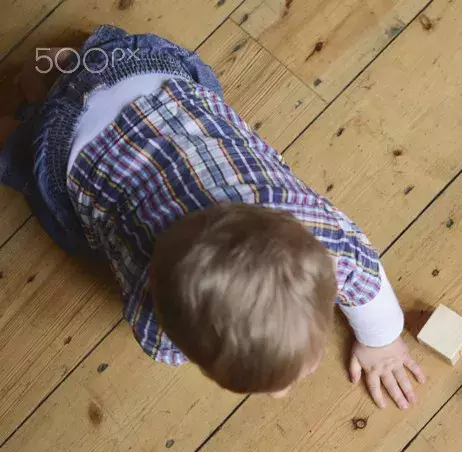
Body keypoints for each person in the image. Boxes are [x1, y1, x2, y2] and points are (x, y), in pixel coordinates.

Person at [0, 26, 424, 408]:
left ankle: (50, 69)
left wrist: (383, 341)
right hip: (68, 142)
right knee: (31, 167)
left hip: (147, 74)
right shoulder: (157, 325)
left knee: (70, 70)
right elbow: (364, 280)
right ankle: (27, 111)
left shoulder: (322, 235)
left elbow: (365, 276)